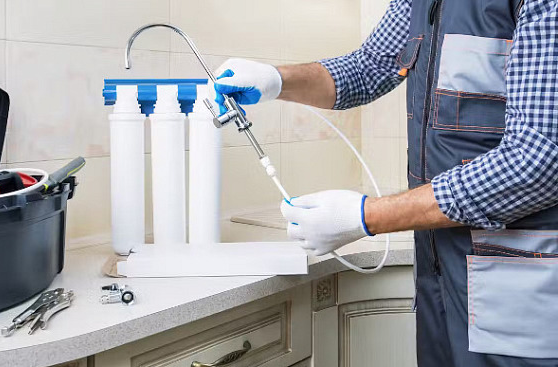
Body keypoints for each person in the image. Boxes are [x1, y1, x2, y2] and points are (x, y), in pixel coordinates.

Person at [210, 0, 558, 366]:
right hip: (440, 277)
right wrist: (276, 79)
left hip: (522, 294)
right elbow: (366, 70)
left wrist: (366, 216)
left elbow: (539, 160)